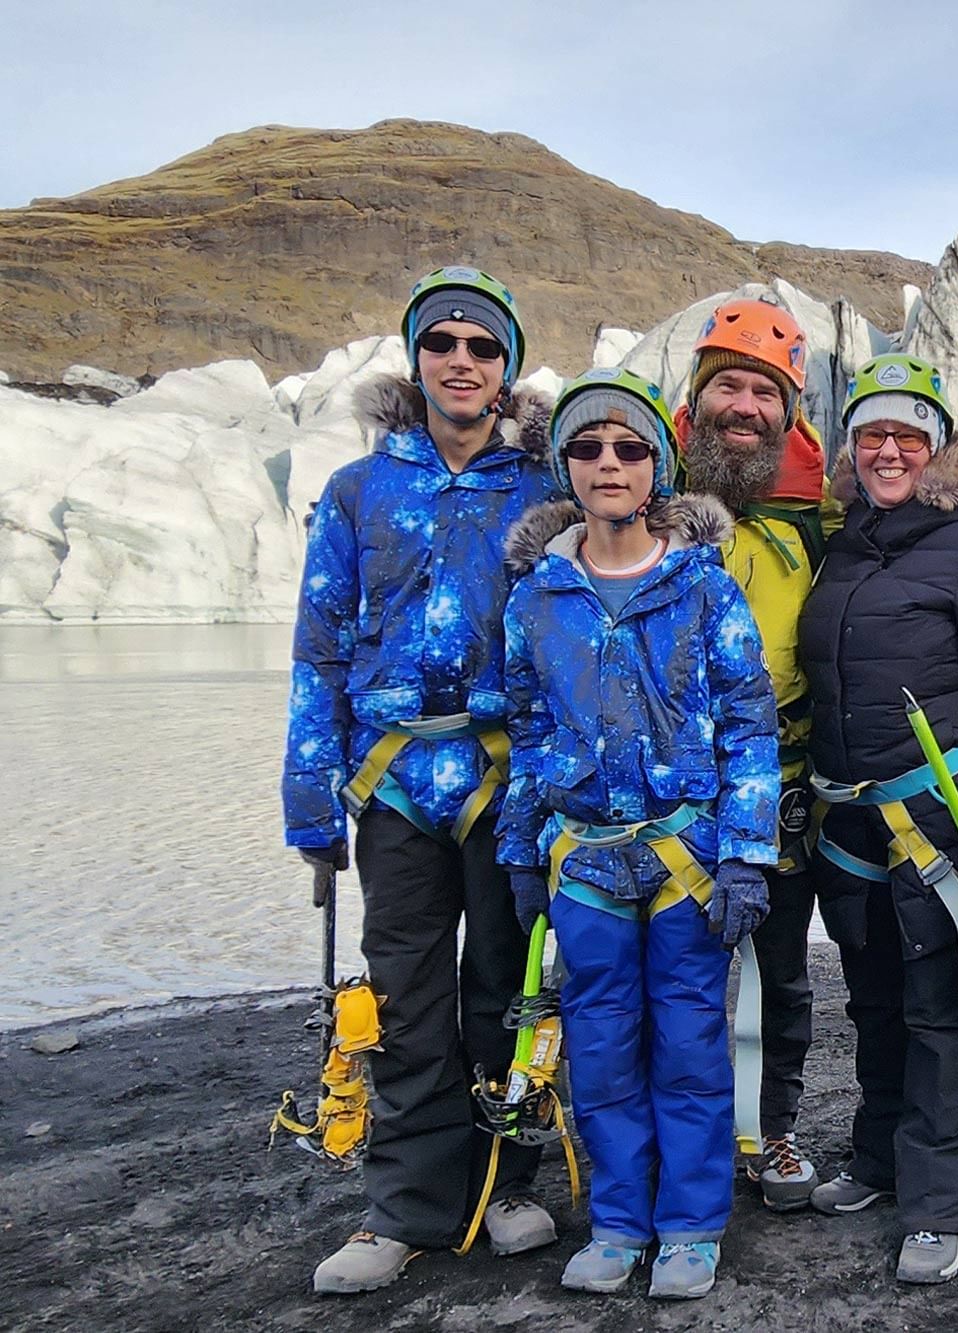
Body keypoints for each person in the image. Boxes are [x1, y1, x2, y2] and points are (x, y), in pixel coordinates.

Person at [283, 266, 560, 1295]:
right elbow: (318, 649)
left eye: (482, 346)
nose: (460, 359)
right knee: (403, 994)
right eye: (441, 341)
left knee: (506, 986)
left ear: (506, 368)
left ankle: (503, 1183)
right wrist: (309, 795)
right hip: (394, 782)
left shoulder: (541, 488)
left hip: (503, 778)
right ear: (416, 357)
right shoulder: (360, 491)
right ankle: (403, 1206)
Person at [497, 367, 780, 1299]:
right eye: (587, 447)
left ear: (657, 466)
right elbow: (527, 730)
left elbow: (749, 726)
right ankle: (620, 1222)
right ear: (564, 466)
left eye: (628, 447)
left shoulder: (705, 590)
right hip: (583, 862)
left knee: (691, 1045)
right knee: (601, 1045)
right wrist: (520, 850)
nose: (608, 462)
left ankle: (691, 1223)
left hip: (683, 859)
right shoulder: (537, 599)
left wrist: (746, 853)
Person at [796, 354, 958, 1284]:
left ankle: (939, 1202)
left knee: (940, 1004)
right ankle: (879, 1159)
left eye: (909, 435)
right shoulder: (845, 544)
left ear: (939, 447)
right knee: (873, 1000)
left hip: (936, 819)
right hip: (851, 820)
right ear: (852, 448)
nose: (890, 451)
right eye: (872, 435)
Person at [672, 298, 842, 1209]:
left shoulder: (817, 519)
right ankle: (687, 1136)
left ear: (789, 411)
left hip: (781, 788)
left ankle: (771, 1128)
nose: (744, 407)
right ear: (696, 399)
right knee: (672, 975)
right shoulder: (641, 496)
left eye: (764, 393)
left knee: (780, 972)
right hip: (665, 795)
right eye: (727, 386)